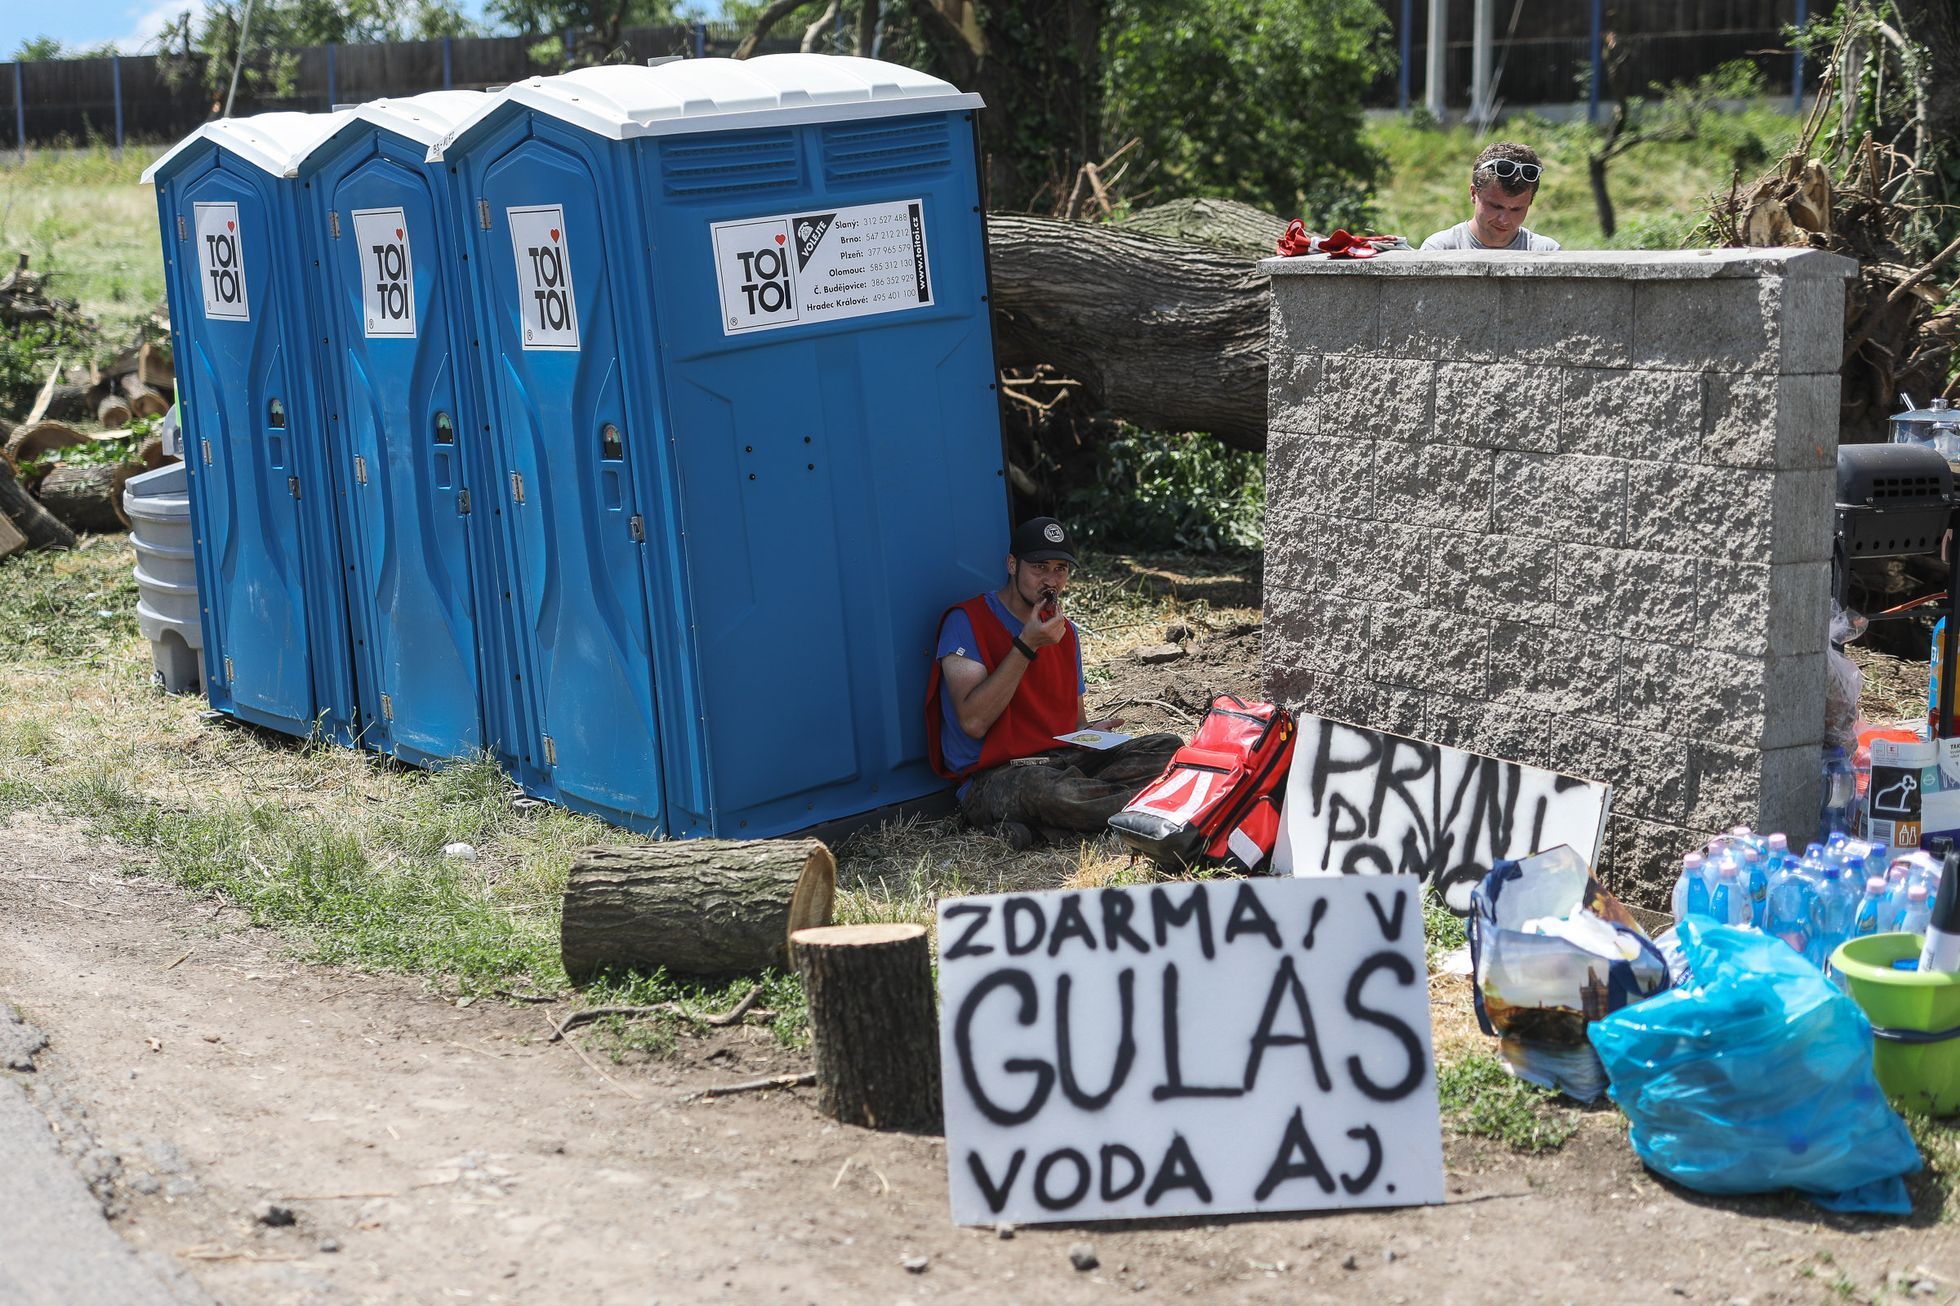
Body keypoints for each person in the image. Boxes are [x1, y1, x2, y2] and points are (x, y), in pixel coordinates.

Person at [926, 517, 1181, 848]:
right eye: (1039, 567)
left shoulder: (1066, 631)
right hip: (996, 777)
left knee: (1169, 748)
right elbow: (973, 722)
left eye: (1060, 569)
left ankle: (1050, 828)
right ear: (1012, 565)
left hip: (1061, 763)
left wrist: (1091, 734)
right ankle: (1162, 803)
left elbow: (1074, 723)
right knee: (1055, 793)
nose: (1051, 580)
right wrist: (1026, 645)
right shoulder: (967, 620)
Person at [1421, 141, 1561, 252]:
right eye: (1496, 206)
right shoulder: (1439, 249)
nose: (1504, 220)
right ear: (1474, 193)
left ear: (1530, 202)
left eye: (1516, 209)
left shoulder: (1547, 252)